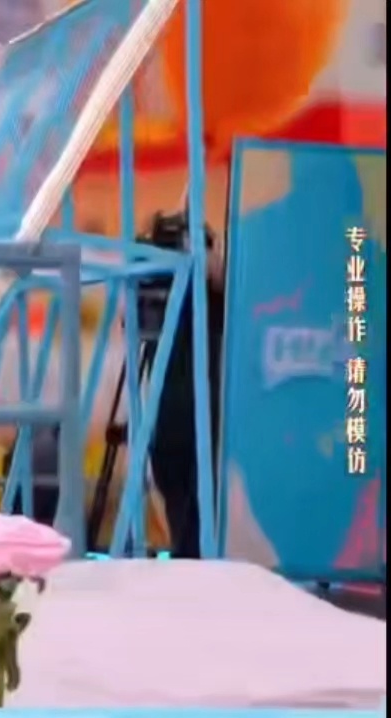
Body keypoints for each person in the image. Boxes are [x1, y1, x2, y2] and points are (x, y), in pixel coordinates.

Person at [143, 209, 225, 559]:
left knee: (196, 504)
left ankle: (192, 557)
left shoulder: (218, 294)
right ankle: (189, 557)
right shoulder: (157, 289)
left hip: (200, 418)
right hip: (176, 420)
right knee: (182, 494)